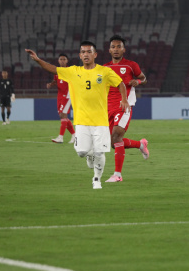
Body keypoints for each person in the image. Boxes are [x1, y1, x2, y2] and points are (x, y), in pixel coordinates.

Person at [26, 41, 129, 189]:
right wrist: (38, 60)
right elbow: (53, 69)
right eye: (83, 52)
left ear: (95, 54)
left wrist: (124, 99)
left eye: (89, 51)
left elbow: (120, 84)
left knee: (100, 152)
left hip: (100, 121)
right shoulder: (73, 71)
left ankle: (96, 180)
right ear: (80, 55)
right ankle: (89, 153)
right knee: (81, 152)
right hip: (81, 121)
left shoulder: (104, 71)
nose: (86, 54)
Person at [103, 35, 149, 183]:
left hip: (125, 105)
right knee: (113, 142)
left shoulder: (131, 65)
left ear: (124, 49)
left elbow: (144, 78)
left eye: (119, 46)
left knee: (116, 136)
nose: (116, 49)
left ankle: (118, 175)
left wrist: (138, 81)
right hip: (108, 107)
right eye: (113, 47)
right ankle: (140, 144)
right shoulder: (104, 68)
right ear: (109, 50)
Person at [47, 53, 76, 144]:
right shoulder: (57, 71)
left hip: (67, 95)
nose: (62, 61)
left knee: (63, 115)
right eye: (61, 59)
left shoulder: (69, 71)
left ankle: (60, 137)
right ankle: (74, 135)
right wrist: (51, 84)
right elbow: (56, 80)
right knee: (62, 116)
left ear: (67, 61)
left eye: (64, 59)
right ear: (58, 61)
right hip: (60, 95)